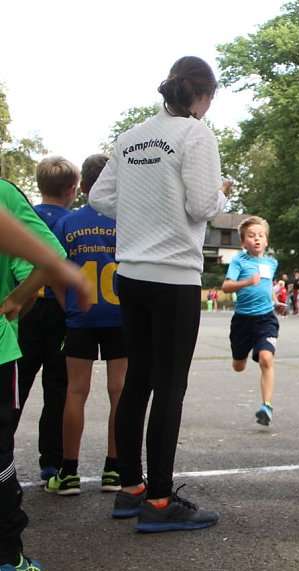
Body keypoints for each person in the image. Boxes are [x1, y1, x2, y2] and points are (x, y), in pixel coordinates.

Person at [89, 55, 230, 532]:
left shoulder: (130, 137)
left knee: (138, 381)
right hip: (174, 274)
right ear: (203, 95)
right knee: (170, 386)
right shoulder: (196, 134)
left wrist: (142, 209)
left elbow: (99, 197)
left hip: (131, 272)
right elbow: (203, 205)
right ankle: (161, 499)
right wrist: (223, 194)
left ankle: (131, 487)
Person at [0, 175, 91, 571]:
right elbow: (44, 258)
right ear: (73, 188)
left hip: (26, 328)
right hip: (33, 326)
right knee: (58, 391)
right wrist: (60, 274)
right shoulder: (8, 195)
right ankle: (7, 554)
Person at [45, 154, 127, 497]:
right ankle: (114, 469)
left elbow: (55, 272)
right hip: (119, 315)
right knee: (119, 391)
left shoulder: (69, 222)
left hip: (81, 315)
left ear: (83, 186)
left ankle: (68, 472)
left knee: (76, 392)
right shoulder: (126, 221)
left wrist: (68, 308)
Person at [13, 156, 78, 485]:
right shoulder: (73, 222)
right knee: (57, 388)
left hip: (26, 305)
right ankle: (51, 461)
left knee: (17, 384)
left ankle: (4, 452)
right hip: (59, 309)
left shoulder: (24, 216)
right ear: (72, 189)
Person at [222, 216, 284, 426]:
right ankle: (244, 352)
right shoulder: (239, 261)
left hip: (266, 318)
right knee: (238, 366)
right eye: (251, 235)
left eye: (261, 235)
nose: (257, 238)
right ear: (243, 242)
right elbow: (226, 286)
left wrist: (275, 301)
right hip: (242, 320)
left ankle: (266, 406)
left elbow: (267, 285)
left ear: (266, 241)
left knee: (266, 359)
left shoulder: (271, 263)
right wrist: (247, 282)